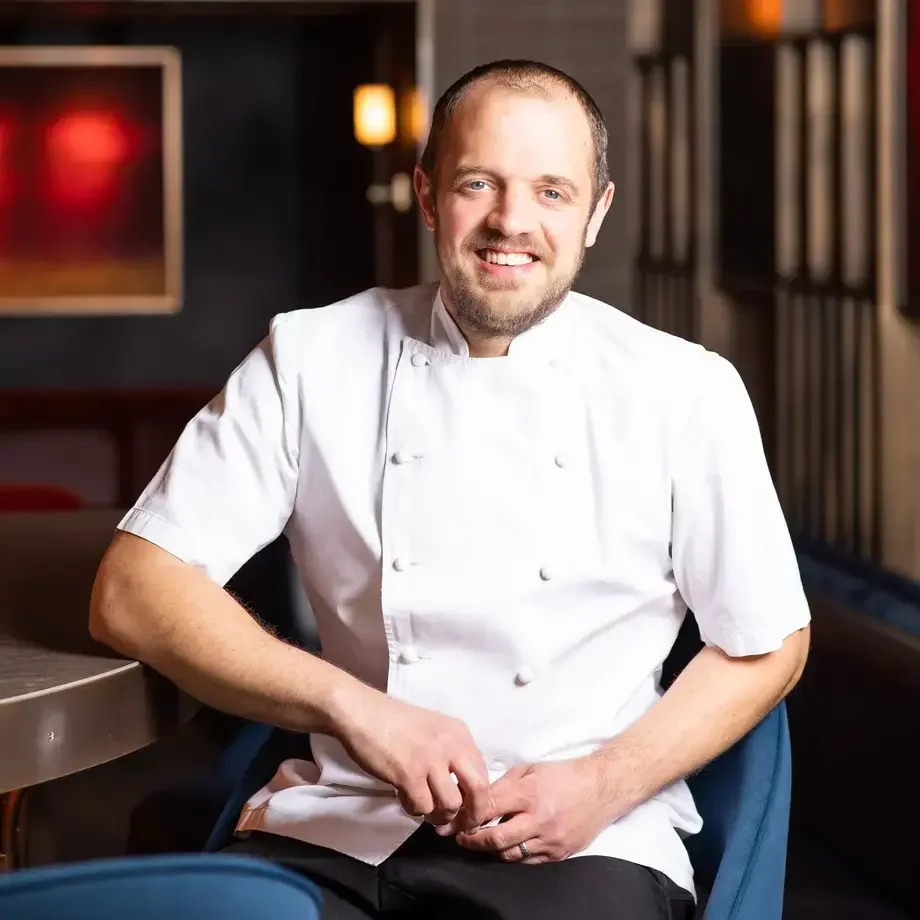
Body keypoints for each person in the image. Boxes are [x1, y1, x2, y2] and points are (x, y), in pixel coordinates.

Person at [89, 60, 811, 920]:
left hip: (586, 843)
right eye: (480, 183)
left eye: (552, 191)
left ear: (596, 214)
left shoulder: (685, 390)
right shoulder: (311, 358)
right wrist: (353, 707)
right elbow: (132, 592)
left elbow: (769, 642)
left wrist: (603, 782)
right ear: (429, 197)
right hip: (345, 823)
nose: (513, 221)